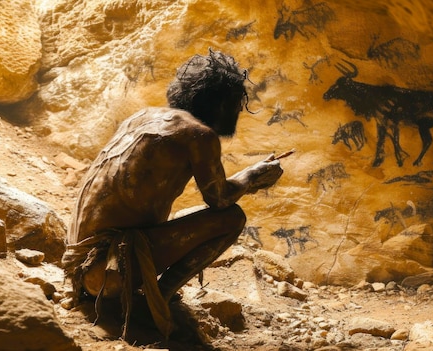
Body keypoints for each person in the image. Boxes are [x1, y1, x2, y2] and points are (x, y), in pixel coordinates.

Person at [61, 49, 284, 338]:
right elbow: (219, 200)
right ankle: (154, 301)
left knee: (184, 218)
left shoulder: (141, 117)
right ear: (221, 104)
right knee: (232, 218)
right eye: (237, 103)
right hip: (107, 274)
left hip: (76, 266)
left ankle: (136, 293)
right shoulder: (199, 135)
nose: (239, 111)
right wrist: (253, 176)